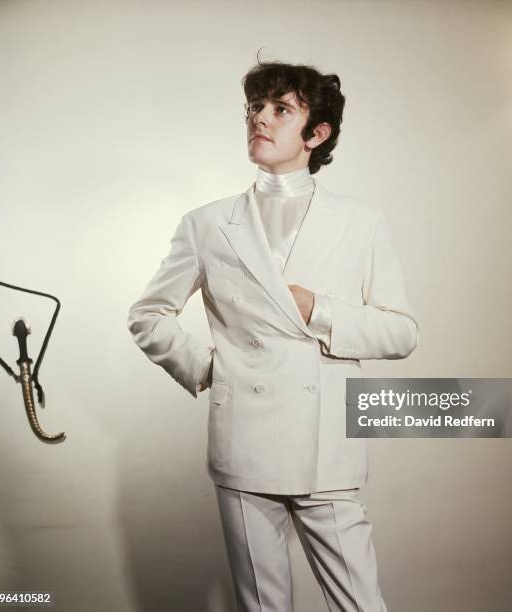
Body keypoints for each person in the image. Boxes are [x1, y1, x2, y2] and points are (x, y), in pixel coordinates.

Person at [127, 59, 419, 612]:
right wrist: (209, 368)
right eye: (255, 108)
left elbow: (401, 331)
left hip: (326, 447)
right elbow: (148, 314)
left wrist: (320, 310)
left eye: (281, 109)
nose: (260, 118)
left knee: (361, 604)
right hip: (245, 442)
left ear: (318, 133)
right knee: (262, 607)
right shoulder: (207, 223)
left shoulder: (362, 222)